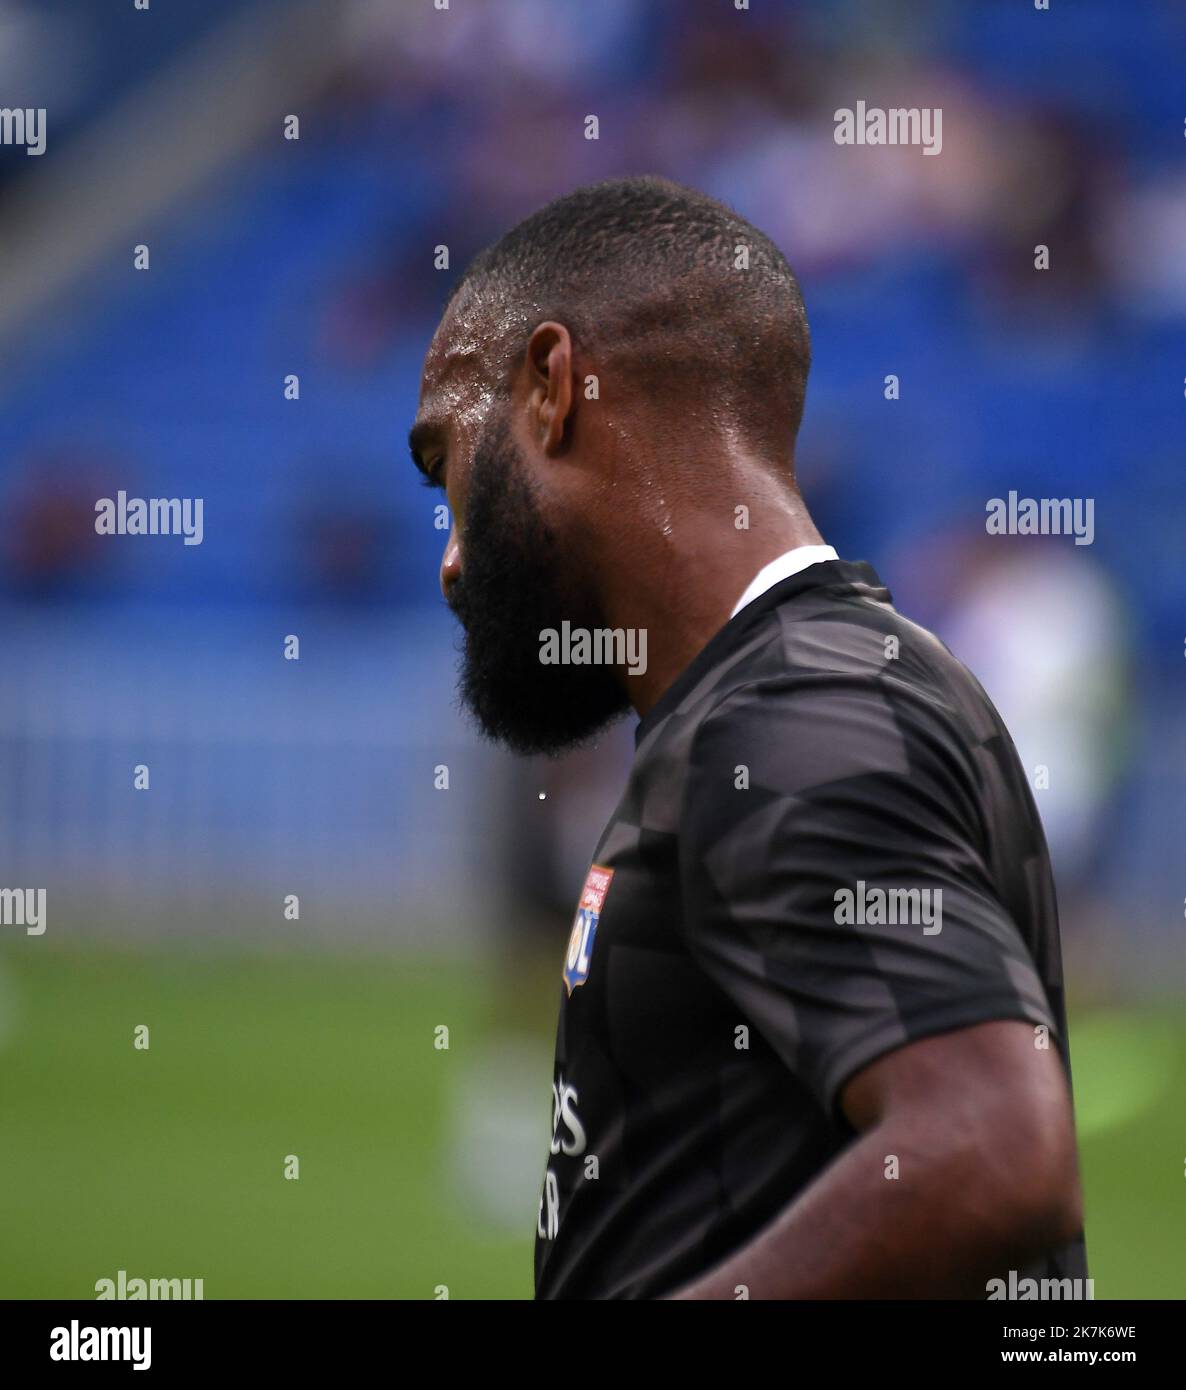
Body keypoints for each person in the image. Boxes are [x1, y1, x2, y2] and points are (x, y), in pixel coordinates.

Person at [409, 174, 1087, 1300]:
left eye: (449, 466)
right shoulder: (808, 688)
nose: (450, 557)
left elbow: (992, 1147)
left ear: (550, 389)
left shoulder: (790, 719)